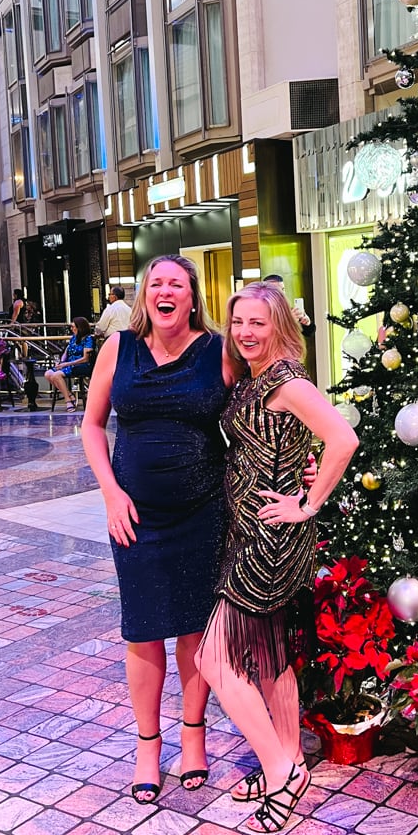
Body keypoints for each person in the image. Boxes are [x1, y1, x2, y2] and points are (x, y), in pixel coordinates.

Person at [196, 282, 358, 834]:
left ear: (279, 326)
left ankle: (281, 770)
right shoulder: (253, 378)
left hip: (270, 539)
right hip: (247, 532)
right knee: (267, 657)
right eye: (238, 321)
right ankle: (291, 760)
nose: (245, 332)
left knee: (214, 660)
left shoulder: (287, 379)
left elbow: (342, 439)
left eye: (257, 323)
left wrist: (309, 502)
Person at [81, 255, 235, 803]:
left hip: (203, 511)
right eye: (156, 284)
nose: (165, 292)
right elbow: (92, 425)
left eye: (177, 284)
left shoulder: (219, 351)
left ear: (193, 297)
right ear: (146, 295)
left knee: (194, 628)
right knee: (143, 630)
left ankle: (194, 739)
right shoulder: (117, 349)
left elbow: (267, 412)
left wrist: (302, 465)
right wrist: (110, 492)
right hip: (135, 514)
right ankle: (149, 746)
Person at [45, 317, 94, 411]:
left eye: (73, 327)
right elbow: (66, 352)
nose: (71, 329)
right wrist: (61, 362)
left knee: (56, 375)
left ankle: (67, 400)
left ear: (79, 328)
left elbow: (85, 359)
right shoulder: (73, 338)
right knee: (48, 374)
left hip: (80, 365)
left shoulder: (88, 339)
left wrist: (66, 364)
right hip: (69, 364)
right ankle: (69, 395)